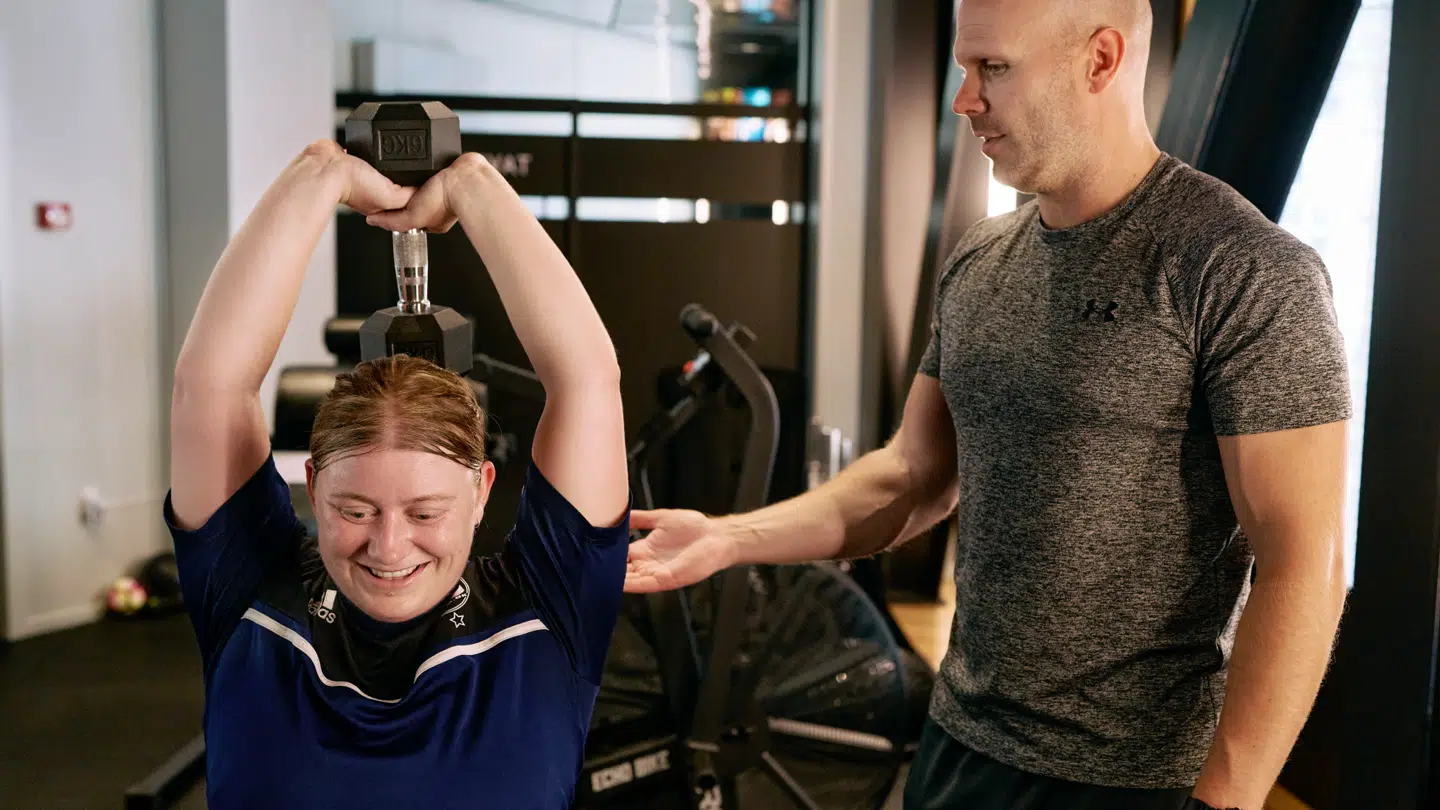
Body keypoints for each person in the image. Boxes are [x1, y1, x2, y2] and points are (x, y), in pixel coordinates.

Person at [624, 0, 1351, 808]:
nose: (963, 99)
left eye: (993, 69)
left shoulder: (1244, 270)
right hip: (959, 749)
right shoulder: (980, 256)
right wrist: (726, 540)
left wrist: (1230, 798)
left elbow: (1301, 563)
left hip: (1133, 782)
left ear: (1101, 60)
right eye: (965, 69)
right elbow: (910, 478)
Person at [166, 141, 629, 809]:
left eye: (424, 513)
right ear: (315, 484)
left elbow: (588, 380)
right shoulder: (251, 590)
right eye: (355, 511)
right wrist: (321, 172)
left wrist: (475, 185)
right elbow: (208, 387)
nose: (388, 549)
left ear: (480, 492)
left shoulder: (548, 607)